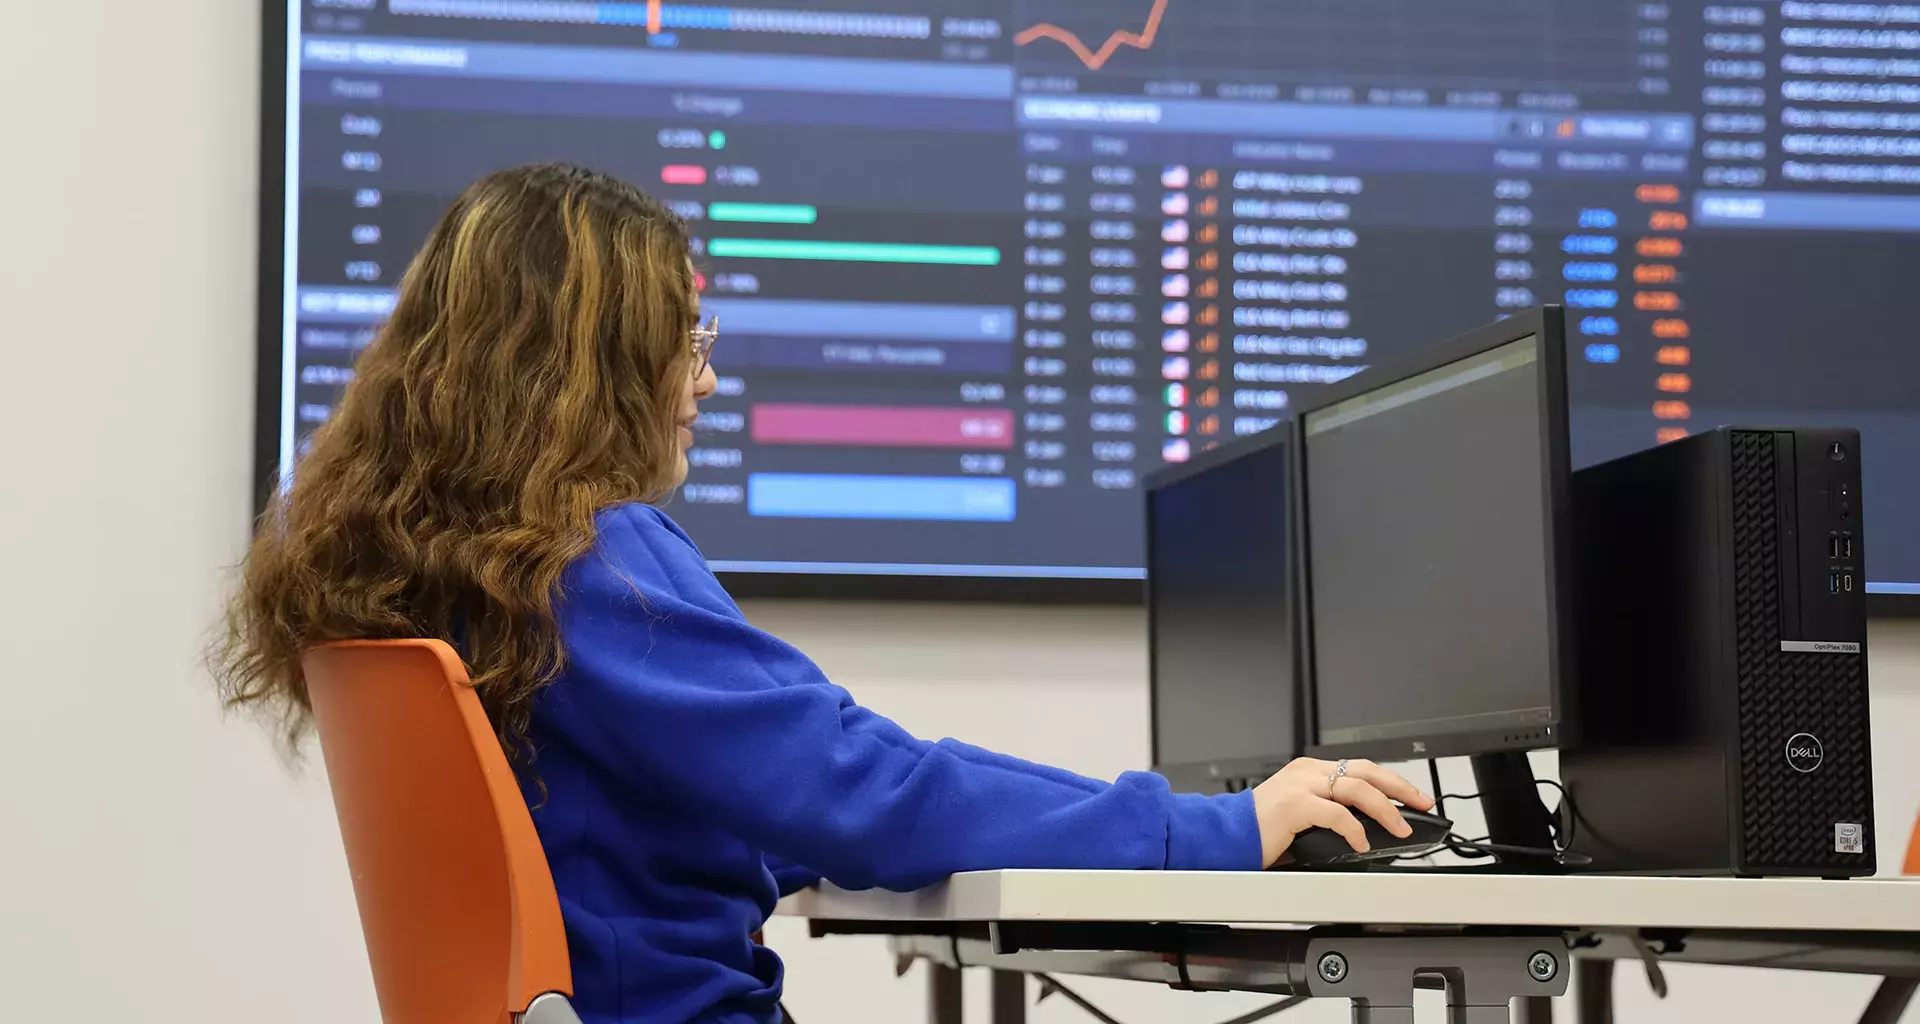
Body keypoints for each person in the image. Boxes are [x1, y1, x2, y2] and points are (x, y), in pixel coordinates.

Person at [215, 163, 1432, 1024]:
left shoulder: (457, 575)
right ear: (589, 370)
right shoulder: (590, 564)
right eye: (685, 345)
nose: (702, 383)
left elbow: (724, 805)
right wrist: (1217, 828)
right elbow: (867, 785)